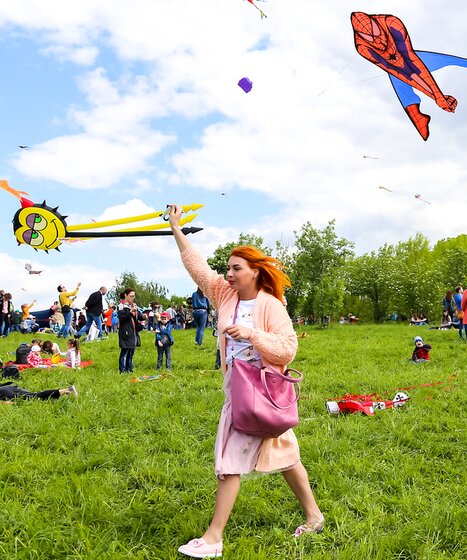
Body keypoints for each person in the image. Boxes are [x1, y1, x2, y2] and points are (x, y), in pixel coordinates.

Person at [168, 205, 323, 559]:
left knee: (228, 461)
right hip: (238, 391)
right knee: (286, 455)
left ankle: (213, 538)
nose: (229, 273)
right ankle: (314, 515)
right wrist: (177, 229)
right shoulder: (225, 295)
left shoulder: (272, 305)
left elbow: (287, 350)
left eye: (236, 268)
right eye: (228, 268)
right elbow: (197, 267)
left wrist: (253, 334)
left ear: (255, 271)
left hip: (263, 392)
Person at [117, 288, 144, 374]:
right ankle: (122, 370)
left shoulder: (134, 305)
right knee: (125, 351)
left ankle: (129, 369)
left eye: (133, 296)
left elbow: (138, 316)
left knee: (131, 352)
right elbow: (122, 317)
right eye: (131, 296)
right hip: (125, 331)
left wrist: (143, 317)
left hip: (133, 331)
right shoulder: (121, 306)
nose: (133, 298)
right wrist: (130, 312)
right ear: (125, 295)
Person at [0, 381, 77, 402]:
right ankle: (67, 392)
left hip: (5, 393)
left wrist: (10, 403)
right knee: (35, 395)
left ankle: (65, 390)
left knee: (36, 396)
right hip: (8, 388)